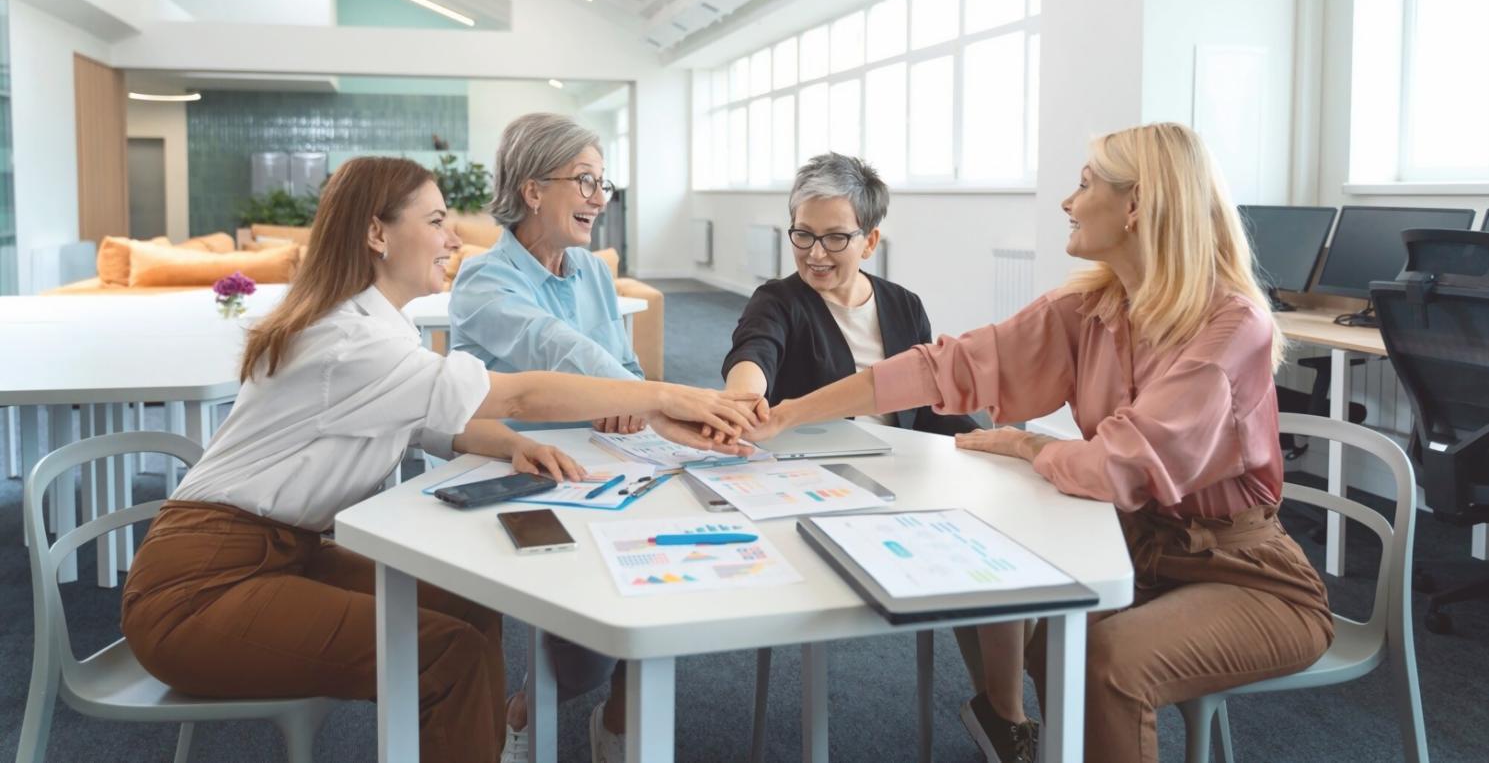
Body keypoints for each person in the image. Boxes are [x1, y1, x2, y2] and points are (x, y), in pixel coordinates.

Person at [121, 157, 757, 763]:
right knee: (444, 657)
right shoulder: (352, 340)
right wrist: (663, 396)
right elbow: (524, 392)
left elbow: (432, 420)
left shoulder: (377, 326)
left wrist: (512, 444)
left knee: (465, 601)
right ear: (376, 232)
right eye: (435, 221)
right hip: (199, 588)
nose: (454, 236)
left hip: (287, 551)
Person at [741, 124, 1333, 763]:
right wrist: (788, 413)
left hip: (1246, 575)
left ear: (1136, 207)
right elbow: (947, 365)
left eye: (1084, 185)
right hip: (1134, 549)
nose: (1067, 202)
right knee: (1045, 632)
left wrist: (1028, 448)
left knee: (1108, 662)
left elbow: (1119, 465)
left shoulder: (1232, 324)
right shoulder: (1089, 308)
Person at [450, 113, 716, 763]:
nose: (601, 197)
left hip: (606, 463)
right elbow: (556, 351)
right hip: (512, 471)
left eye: (604, 183)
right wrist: (647, 401)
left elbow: (620, 370)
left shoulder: (593, 272)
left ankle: (618, 722)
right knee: (587, 647)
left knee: (670, 571)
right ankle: (522, 716)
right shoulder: (484, 281)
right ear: (534, 189)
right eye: (586, 180)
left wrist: (629, 402)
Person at [723, 152, 975, 437]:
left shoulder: (905, 305)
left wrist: (987, 439)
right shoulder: (776, 301)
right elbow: (753, 353)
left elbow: (927, 405)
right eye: (804, 234)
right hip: (817, 465)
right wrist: (742, 400)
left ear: (869, 242)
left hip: (899, 459)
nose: (816, 253)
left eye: (835, 237)